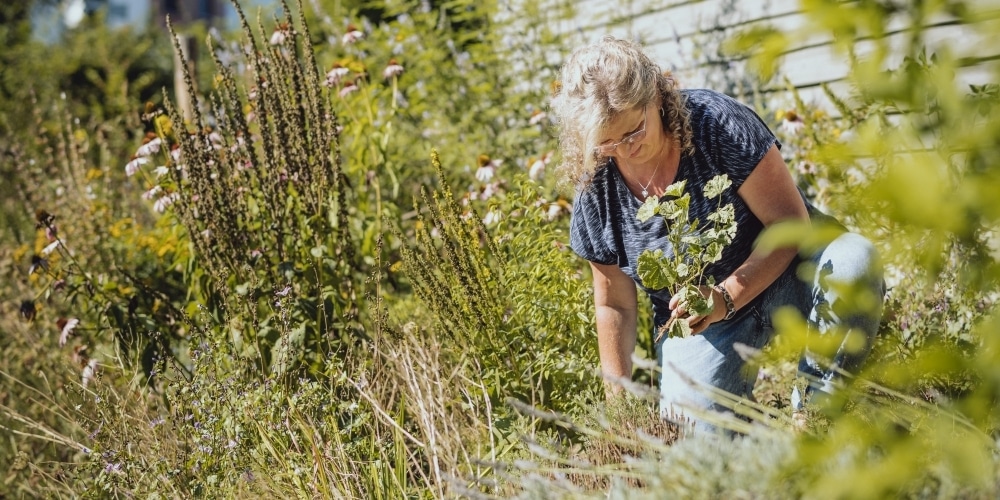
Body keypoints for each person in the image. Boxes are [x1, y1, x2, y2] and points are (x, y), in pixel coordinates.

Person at [551, 36, 885, 427]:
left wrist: (724, 296)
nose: (625, 151)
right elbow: (615, 306)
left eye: (634, 132)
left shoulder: (715, 123)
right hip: (703, 323)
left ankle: (813, 419)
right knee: (694, 441)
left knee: (854, 262)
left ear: (656, 98)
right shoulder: (597, 185)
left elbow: (790, 225)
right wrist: (619, 411)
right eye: (609, 143)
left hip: (796, 267)